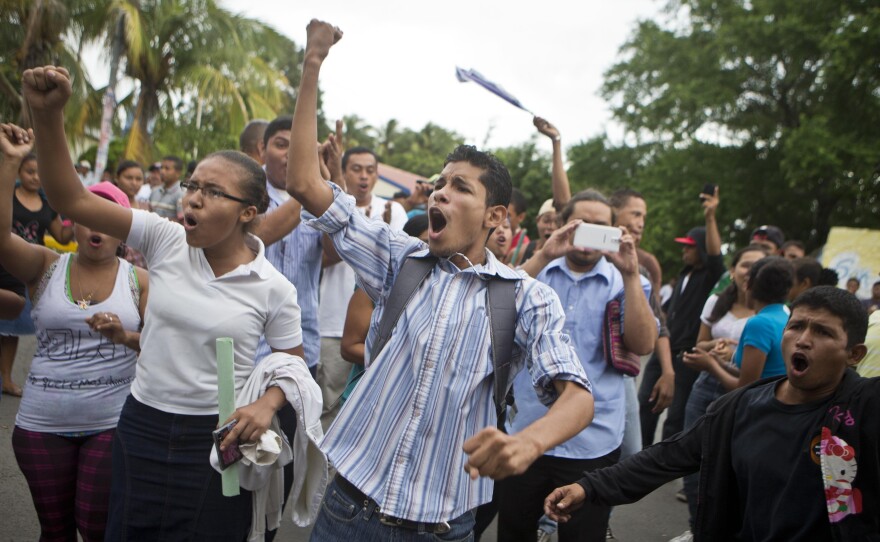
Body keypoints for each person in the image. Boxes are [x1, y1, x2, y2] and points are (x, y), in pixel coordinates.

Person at [288, 21, 594, 540]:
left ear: (496, 216)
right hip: (347, 510)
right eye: (439, 183)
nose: (439, 194)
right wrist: (313, 63)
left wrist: (528, 442)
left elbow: (577, 396)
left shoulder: (527, 299)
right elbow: (304, 184)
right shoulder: (398, 258)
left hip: (442, 527)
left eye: (460, 187)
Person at [22, 65, 306, 540]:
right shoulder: (164, 238)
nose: (191, 199)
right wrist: (48, 115)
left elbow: (292, 366)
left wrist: (266, 405)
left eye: (211, 192)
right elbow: (70, 199)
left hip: (218, 440)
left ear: (247, 213)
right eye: (192, 185)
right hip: (141, 426)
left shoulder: (273, 287)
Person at [545, 285, 879, 542]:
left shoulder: (864, 409)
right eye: (797, 326)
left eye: (823, 332)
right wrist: (589, 488)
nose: (803, 340)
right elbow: (666, 456)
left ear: (854, 354)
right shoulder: (740, 407)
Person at [1, 123, 147, 541]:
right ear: (73, 223)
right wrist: (10, 162)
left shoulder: (141, 281)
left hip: (110, 423)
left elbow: (161, 347)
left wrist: (125, 337)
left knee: (97, 528)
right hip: (40, 425)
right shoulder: (45, 265)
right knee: (56, 531)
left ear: (125, 231)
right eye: (86, 217)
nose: (95, 228)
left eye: (108, 219)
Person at [499, 189, 658, 542]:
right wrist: (543, 255)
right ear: (563, 225)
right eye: (581, 224)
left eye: (600, 227)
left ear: (614, 232)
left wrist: (631, 276)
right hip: (529, 432)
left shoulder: (629, 280)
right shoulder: (537, 272)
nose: (588, 234)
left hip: (593, 443)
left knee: (583, 536)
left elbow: (643, 343)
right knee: (513, 531)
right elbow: (495, 310)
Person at [676, 243, 768, 536]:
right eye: (745, 265)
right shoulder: (716, 302)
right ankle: (696, 527)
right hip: (705, 386)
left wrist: (735, 354)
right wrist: (715, 348)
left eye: (758, 266)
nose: (750, 272)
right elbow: (699, 343)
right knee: (693, 459)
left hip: (744, 393)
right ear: (732, 270)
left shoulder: (770, 312)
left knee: (732, 466)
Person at [316, 143, 407, 429]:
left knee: (365, 414)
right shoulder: (327, 204)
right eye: (356, 169)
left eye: (370, 170)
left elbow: (400, 268)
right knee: (325, 412)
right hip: (331, 324)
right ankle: (319, 476)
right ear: (343, 172)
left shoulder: (393, 210)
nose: (364, 177)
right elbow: (329, 256)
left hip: (376, 332)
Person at [639, 188, 724, 446]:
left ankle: (663, 465)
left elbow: (717, 258)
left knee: (675, 417)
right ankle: (639, 457)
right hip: (663, 349)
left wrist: (710, 218)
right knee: (645, 403)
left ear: (701, 248)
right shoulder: (684, 275)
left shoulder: (709, 277)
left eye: (690, 247)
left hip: (687, 355)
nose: (684, 251)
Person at [0, 149, 73, 397]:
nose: (35, 177)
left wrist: (75, 219)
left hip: (24, 272)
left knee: (12, 328)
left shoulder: (46, 205)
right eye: (30, 172)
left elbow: (62, 238)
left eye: (39, 173)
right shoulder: (8, 195)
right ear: (19, 171)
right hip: (2, 263)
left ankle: (7, 379)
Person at [684, 256, 794, 391]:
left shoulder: (760, 323)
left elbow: (744, 387)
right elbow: (759, 374)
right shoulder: (784, 316)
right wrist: (720, 363)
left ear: (748, 285)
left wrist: (711, 366)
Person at [148, 154, 184, 221]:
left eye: (167, 168)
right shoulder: (154, 191)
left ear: (178, 173)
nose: (162, 171)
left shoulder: (181, 194)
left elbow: (182, 222)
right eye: (161, 168)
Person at [504, 187, 531, 266]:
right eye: (498, 212)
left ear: (521, 217)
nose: (501, 220)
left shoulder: (524, 246)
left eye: (508, 216)